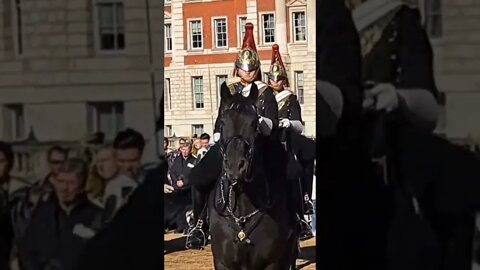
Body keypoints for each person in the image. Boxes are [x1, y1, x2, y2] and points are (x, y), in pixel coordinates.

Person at [186, 22, 280, 249]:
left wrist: (261, 123)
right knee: (198, 176)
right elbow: (220, 118)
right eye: (244, 69)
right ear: (237, 68)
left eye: (252, 69)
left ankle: (298, 218)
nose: (247, 73)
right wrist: (218, 134)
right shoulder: (228, 90)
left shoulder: (265, 92)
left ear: (257, 69)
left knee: (290, 171)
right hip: (229, 146)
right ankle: (199, 224)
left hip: (259, 145)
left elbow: (273, 122)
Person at [18, 158, 103, 270]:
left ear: (82, 187)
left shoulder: (96, 217)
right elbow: (27, 249)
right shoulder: (43, 212)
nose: (64, 188)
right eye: (60, 181)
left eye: (71, 183)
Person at [266, 44, 313, 241]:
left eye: (278, 79)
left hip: (286, 139)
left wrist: (288, 122)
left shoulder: (290, 98)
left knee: (297, 167)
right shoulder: (262, 96)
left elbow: (299, 125)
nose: (275, 82)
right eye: (272, 79)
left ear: (283, 80)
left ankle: (303, 204)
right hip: (267, 138)